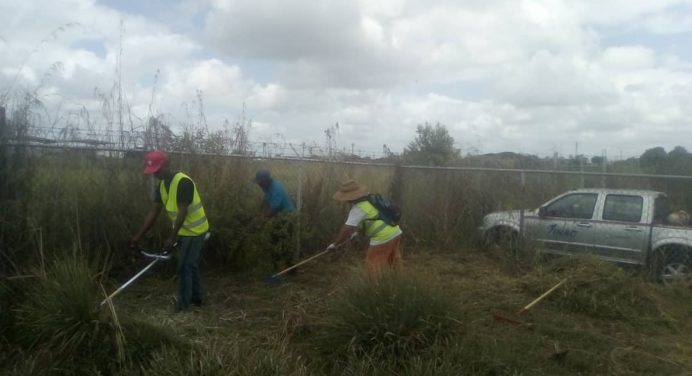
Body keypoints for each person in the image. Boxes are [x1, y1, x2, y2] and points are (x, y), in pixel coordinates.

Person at [130, 150, 209, 312]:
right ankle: (197, 298)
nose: (156, 174)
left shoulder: (183, 182)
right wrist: (139, 236)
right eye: (153, 172)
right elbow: (154, 211)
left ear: (167, 164)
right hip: (183, 231)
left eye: (158, 170)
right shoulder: (162, 186)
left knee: (185, 266)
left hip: (195, 231)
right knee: (191, 265)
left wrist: (172, 237)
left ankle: (183, 307)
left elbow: (183, 211)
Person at [329, 179, 403, 276]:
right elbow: (372, 219)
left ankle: (375, 289)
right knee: (393, 261)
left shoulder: (358, 209)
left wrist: (335, 244)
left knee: (373, 265)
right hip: (395, 231)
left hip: (383, 237)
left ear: (349, 198)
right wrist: (356, 233)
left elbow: (346, 228)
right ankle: (400, 283)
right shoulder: (370, 200)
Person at [254, 170, 297, 272]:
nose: (258, 184)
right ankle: (277, 267)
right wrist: (258, 212)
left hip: (287, 217)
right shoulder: (267, 187)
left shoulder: (276, 189)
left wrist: (261, 220)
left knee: (283, 241)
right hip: (280, 216)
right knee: (275, 240)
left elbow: (273, 208)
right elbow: (266, 200)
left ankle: (288, 269)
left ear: (265, 181)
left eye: (259, 182)